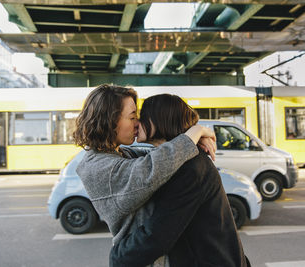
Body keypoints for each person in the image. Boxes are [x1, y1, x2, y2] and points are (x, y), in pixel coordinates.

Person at [110, 94, 249, 267]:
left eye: (143, 117)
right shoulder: (174, 161)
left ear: (160, 120)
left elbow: (159, 234)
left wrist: (118, 257)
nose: (137, 123)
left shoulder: (190, 168)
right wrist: (197, 132)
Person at [73, 84, 216, 250]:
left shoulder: (119, 154)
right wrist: (195, 133)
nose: (137, 123)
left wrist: (194, 139)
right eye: (132, 117)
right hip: (139, 255)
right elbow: (151, 168)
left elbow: (161, 153)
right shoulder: (96, 168)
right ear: (109, 120)